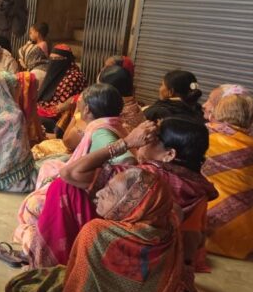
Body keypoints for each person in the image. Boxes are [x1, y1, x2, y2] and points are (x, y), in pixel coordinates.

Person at [6, 167, 197, 292]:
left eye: (111, 192)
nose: (99, 194)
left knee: (21, 286)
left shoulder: (97, 233)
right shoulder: (169, 227)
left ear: (132, 204)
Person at [59, 117, 217, 278]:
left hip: (129, 266)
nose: (143, 140)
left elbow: (70, 172)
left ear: (169, 154)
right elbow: (190, 244)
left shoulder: (143, 178)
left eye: (152, 137)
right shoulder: (198, 186)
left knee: (63, 188)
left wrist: (126, 142)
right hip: (167, 268)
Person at [7, 84, 130, 268]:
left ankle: (42, 242)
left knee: (34, 203)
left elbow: (127, 160)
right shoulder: (111, 124)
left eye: (81, 103)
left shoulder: (102, 132)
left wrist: (106, 181)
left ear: (87, 109)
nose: (78, 104)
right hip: (87, 182)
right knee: (51, 166)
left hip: (93, 195)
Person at [204, 89, 253, 259]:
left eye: (210, 102)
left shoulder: (206, 138)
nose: (205, 105)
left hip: (210, 229)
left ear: (218, 112)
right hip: (252, 233)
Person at [36, 44, 86, 129]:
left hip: (61, 118)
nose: (53, 62)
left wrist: (40, 110)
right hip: (45, 110)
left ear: (66, 60)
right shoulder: (54, 72)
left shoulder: (74, 77)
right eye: (51, 59)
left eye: (56, 59)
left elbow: (61, 107)